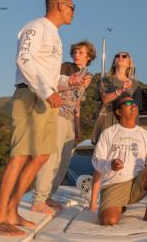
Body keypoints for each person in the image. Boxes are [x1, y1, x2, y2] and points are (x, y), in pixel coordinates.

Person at [0, 0, 92, 237]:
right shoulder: (36, 26)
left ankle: (13, 210)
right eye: (71, 6)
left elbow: (52, 76)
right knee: (21, 155)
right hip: (31, 96)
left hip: (46, 99)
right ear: (58, 5)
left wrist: (70, 83)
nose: (73, 11)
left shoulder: (55, 36)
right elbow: (24, 60)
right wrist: (48, 92)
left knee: (42, 156)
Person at [31, 40, 97, 215]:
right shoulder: (66, 67)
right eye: (75, 51)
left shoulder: (86, 74)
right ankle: (40, 197)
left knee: (64, 160)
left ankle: (48, 195)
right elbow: (52, 86)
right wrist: (74, 83)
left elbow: (77, 102)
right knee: (53, 155)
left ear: (89, 57)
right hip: (56, 113)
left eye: (81, 52)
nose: (76, 54)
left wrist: (77, 126)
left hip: (69, 118)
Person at [92, 96, 147, 225]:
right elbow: (96, 160)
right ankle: (118, 205)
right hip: (114, 185)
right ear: (118, 112)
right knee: (108, 221)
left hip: (138, 183)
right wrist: (110, 165)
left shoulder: (145, 134)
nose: (134, 105)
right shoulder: (108, 133)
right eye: (128, 103)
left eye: (135, 103)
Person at [88, 52, 143, 211]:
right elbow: (104, 100)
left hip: (125, 125)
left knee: (124, 162)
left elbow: (135, 109)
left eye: (124, 56)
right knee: (101, 163)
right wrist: (119, 90)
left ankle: (120, 200)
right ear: (114, 62)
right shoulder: (106, 79)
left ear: (129, 64)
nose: (120, 57)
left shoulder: (135, 84)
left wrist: (137, 130)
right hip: (107, 122)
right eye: (117, 56)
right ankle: (92, 205)